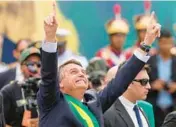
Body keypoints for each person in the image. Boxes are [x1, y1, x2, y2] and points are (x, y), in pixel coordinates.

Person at [37, 2, 161, 127]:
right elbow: (48, 75)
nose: (81, 74)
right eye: (73, 72)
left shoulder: (94, 102)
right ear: (60, 84)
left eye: (83, 72)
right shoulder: (52, 102)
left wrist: (146, 43)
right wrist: (50, 36)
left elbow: (122, 80)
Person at [1, 47, 41, 127]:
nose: (35, 68)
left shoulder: (47, 90)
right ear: (22, 67)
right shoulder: (9, 91)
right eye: (31, 65)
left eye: (39, 65)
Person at [147, 28, 176, 127]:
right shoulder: (150, 61)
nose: (166, 46)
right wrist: (153, 85)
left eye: (169, 43)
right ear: (158, 43)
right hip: (154, 107)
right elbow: (140, 83)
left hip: (172, 107)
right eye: (163, 43)